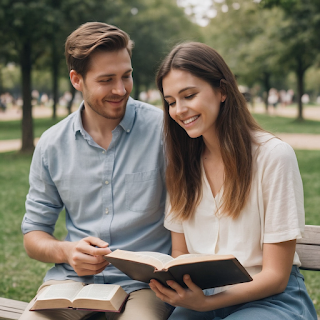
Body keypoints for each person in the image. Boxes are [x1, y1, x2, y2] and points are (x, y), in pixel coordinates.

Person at [148, 42, 318, 320]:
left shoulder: (273, 156)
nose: (179, 110)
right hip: (204, 298)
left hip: (271, 301)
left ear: (223, 90)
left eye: (189, 95)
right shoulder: (180, 167)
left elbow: (276, 276)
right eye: (170, 102)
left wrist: (206, 304)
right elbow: (181, 254)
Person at [20, 22, 173, 320]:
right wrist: (68, 252)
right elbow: (33, 235)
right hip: (70, 282)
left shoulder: (164, 131)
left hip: (145, 286)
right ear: (77, 80)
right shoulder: (52, 144)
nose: (120, 89)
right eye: (106, 80)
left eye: (126, 76)